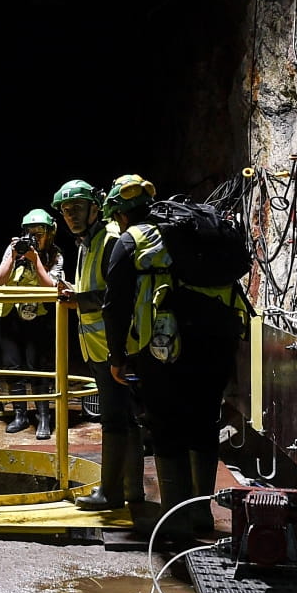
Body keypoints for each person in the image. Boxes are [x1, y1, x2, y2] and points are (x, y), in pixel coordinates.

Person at [98, 173, 246, 532]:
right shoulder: (199, 231)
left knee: (166, 425)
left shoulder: (132, 240)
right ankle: (202, 514)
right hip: (216, 344)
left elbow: (114, 307)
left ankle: (176, 517)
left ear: (120, 213)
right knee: (204, 422)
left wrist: (117, 358)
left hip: (165, 349)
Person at [54, 179, 145, 511]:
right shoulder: (86, 244)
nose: (71, 216)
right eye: (66, 211)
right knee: (124, 417)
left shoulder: (108, 241)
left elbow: (115, 296)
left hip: (114, 347)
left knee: (116, 419)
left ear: (96, 208)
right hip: (100, 347)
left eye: (77, 208)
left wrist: (78, 299)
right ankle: (131, 491)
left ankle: (111, 493)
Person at [0, 209, 63, 440]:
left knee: (38, 366)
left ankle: (43, 418)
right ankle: (20, 415)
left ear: (49, 233)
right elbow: (0, 279)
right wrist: (14, 257)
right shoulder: (14, 248)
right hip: (8, 313)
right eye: (29, 232)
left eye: (39, 232)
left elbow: (50, 286)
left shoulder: (55, 255)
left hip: (37, 315)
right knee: (13, 366)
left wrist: (36, 261)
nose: (34, 237)